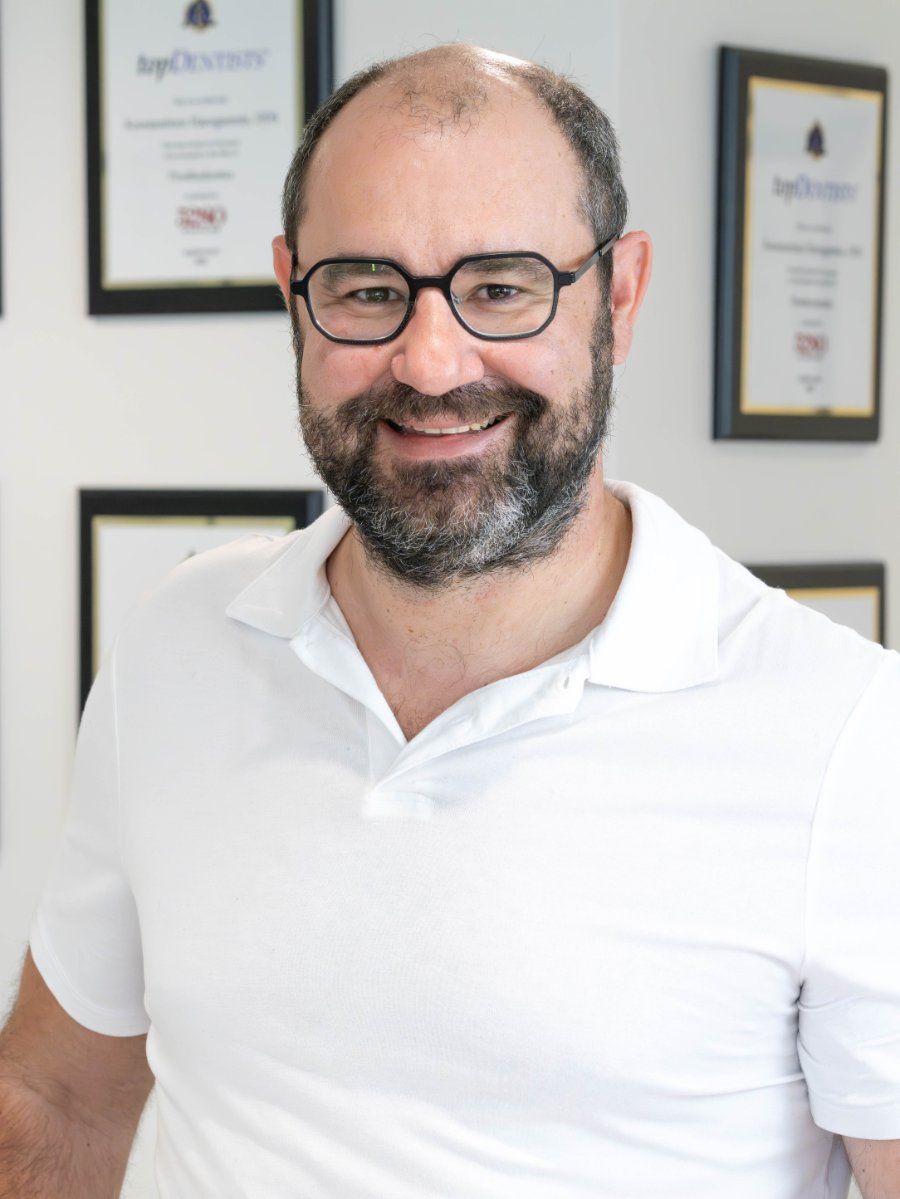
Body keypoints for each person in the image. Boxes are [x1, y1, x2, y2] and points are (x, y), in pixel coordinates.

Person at [1, 43, 898, 1199]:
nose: (430, 360)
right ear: (292, 291)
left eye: (503, 285)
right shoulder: (182, 640)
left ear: (618, 293)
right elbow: (56, 1098)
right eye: (369, 288)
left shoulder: (846, 731)